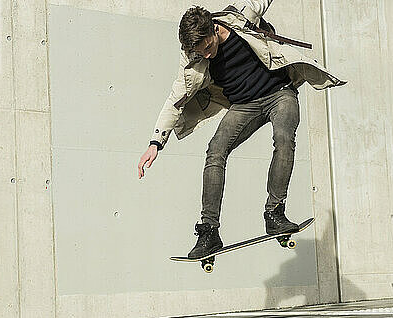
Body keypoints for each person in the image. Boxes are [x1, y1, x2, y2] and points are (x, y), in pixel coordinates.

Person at [137, 0, 345, 259]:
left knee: (284, 138)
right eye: (201, 54)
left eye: (209, 48)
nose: (208, 56)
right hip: (243, 105)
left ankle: (274, 212)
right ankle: (209, 231)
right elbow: (175, 99)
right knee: (215, 151)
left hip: (279, 94)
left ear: (214, 29)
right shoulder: (192, 57)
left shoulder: (241, 15)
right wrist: (155, 143)